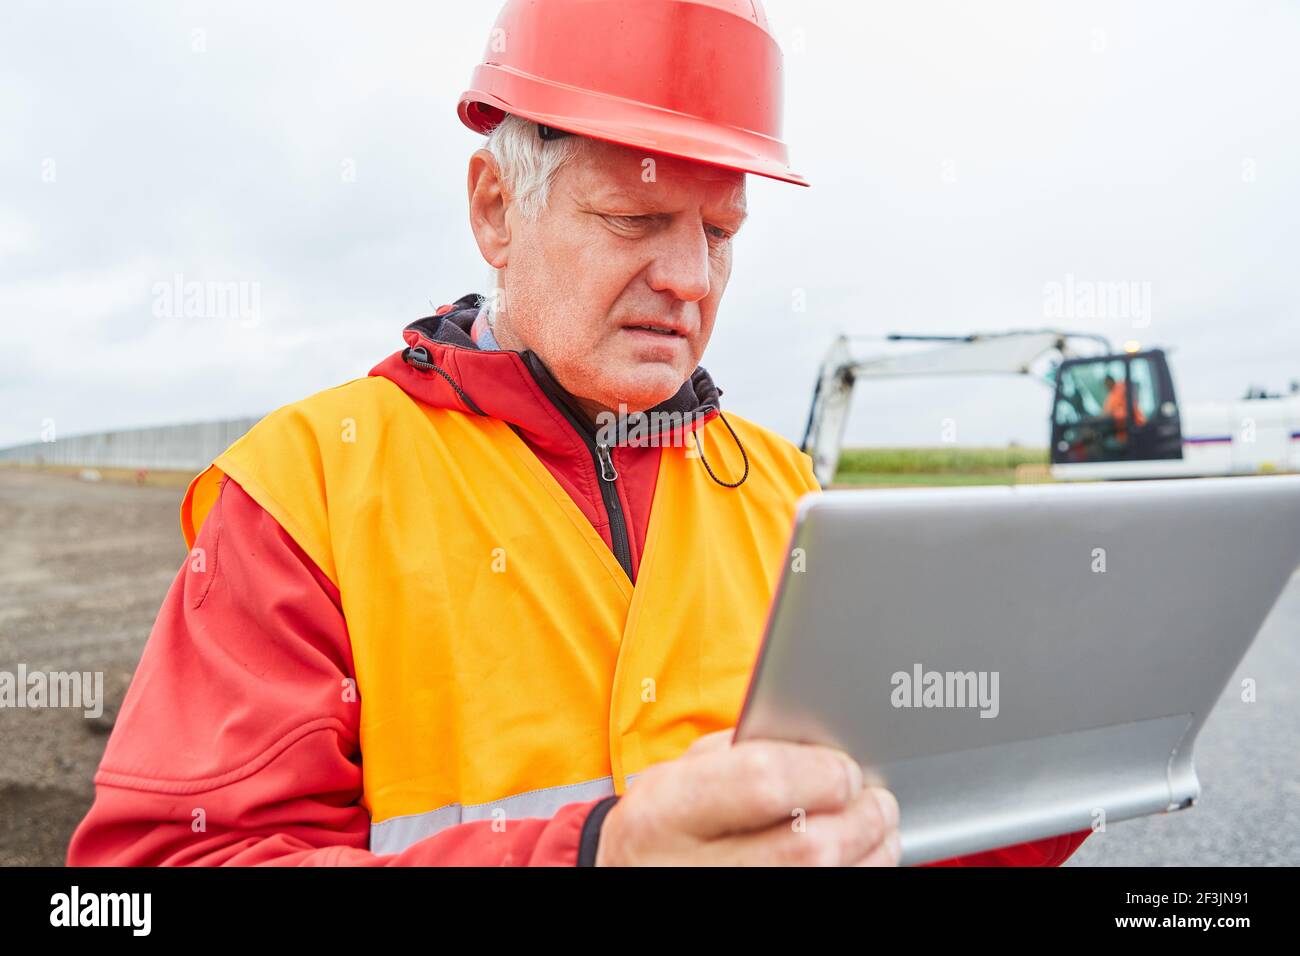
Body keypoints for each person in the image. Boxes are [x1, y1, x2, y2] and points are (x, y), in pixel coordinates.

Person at [68, 0, 1089, 867]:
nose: (690, 278)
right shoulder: (305, 493)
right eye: (635, 221)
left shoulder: (788, 493)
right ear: (497, 206)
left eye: (720, 231)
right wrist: (591, 854)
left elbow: (887, 817)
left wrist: (1050, 767)